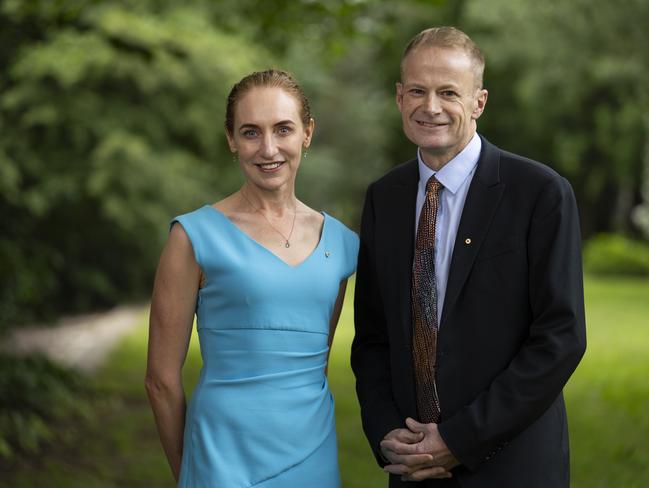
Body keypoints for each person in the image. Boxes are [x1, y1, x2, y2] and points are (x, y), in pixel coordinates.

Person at [351, 26, 586, 487]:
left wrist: (460, 439)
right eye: (417, 90)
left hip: (510, 464)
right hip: (412, 464)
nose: (430, 106)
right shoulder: (385, 197)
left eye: (448, 92)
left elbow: (560, 339)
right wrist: (386, 433)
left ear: (478, 102)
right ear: (399, 97)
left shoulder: (540, 194)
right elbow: (373, 338)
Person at [145, 69, 358, 487]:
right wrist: (189, 470)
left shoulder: (342, 244)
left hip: (313, 458)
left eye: (283, 129)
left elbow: (316, 366)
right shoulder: (193, 237)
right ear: (230, 138)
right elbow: (160, 381)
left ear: (307, 133)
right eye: (250, 132)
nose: (268, 148)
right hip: (221, 459)